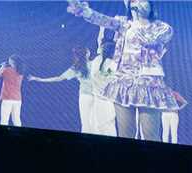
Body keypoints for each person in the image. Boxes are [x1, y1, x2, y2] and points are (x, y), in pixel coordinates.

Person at [66, 0, 180, 141]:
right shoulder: (123, 23)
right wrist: (85, 11)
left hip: (149, 84)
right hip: (123, 84)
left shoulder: (161, 27)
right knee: (126, 135)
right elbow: (102, 20)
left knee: (150, 135)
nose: (137, 2)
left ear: (151, 6)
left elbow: (148, 38)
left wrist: (137, 22)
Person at [29, 47, 95, 134]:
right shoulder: (94, 64)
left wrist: (39, 79)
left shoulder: (76, 68)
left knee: (86, 122)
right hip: (95, 96)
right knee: (94, 122)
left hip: (85, 97)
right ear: (87, 54)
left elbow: (58, 78)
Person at [90, 29, 117, 136]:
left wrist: (101, 29)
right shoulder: (110, 63)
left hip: (100, 98)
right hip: (106, 99)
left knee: (100, 126)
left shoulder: (98, 61)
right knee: (107, 126)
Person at [0, 55, 25, 127]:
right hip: (18, 99)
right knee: (16, 120)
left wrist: (3, 66)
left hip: (7, 98)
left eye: (9, 60)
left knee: (4, 120)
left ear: (13, 62)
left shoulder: (7, 70)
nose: (8, 61)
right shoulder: (21, 72)